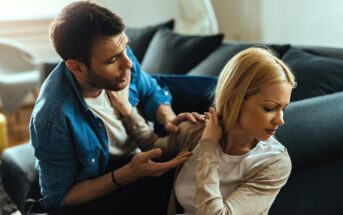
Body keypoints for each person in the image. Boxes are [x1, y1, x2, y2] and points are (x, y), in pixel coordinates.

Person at [30, 1, 203, 214]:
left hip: (144, 148)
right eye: (112, 60)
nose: (128, 63)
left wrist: (168, 119)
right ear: (77, 67)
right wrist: (128, 173)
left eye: (125, 48)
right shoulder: (52, 118)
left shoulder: (123, 57)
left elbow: (151, 91)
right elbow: (57, 197)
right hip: (109, 174)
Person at [108, 47, 296, 215]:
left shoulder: (274, 164)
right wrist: (128, 111)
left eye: (283, 109)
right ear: (234, 100)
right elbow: (155, 148)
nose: (280, 120)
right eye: (270, 108)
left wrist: (209, 147)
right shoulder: (198, 130)